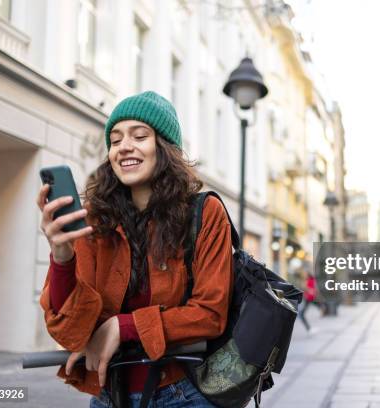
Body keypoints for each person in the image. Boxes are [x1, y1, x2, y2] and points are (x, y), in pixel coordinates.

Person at [37, 91, 233, 408]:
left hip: (183, 394)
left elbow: (210, 314)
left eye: (139, 135)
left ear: (165, 148)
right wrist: (62, 258)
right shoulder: (94, 220)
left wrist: (122, 326)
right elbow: (70, 331)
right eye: (115, 140)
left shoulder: (204, 212)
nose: (123, 146)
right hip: (108, 395)